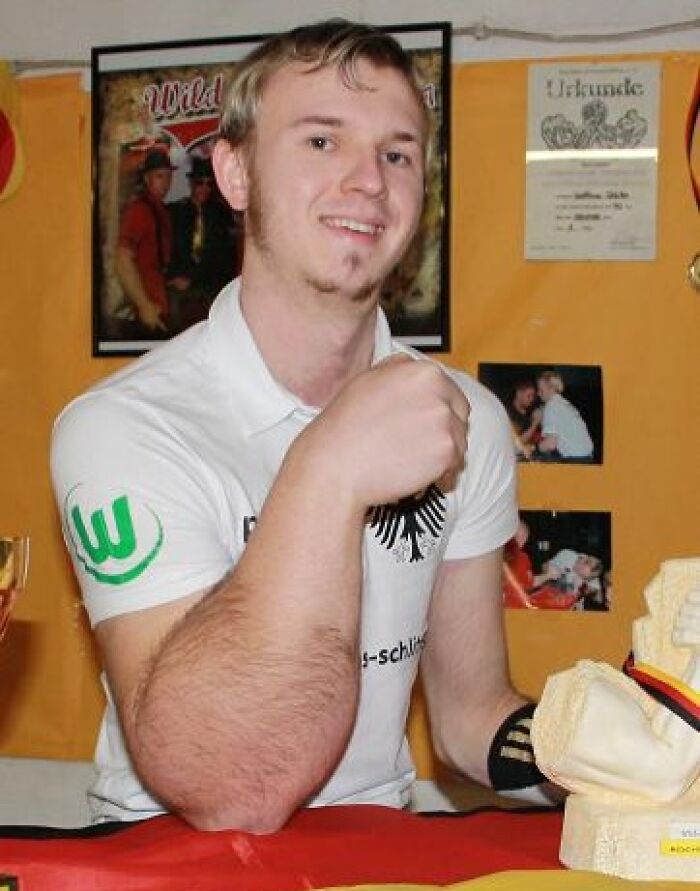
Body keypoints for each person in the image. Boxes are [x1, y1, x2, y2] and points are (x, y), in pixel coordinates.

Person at [51, 20, 556, 833]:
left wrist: (606, 750)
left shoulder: (462, 420)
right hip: (172, 865)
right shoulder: (122, 427)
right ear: (235, 171)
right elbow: (229, 787)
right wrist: (328, 464)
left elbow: (470, 718)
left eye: (397, 153)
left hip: (372, 853)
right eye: (323, 141)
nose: (368, 182)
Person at [167, 155, 240, 334]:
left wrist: (194, 279)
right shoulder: (177, 211)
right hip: (179, 285)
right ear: (191, 183)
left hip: (210, 286)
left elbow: (221, 256)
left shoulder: (220, 213)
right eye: (200, 183)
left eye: (209, 184)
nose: (204, 189)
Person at [114, 149, 176, 337]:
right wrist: (144, 306)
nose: (165, 183)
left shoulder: (160, 210)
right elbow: (122, 258)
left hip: (156, 307)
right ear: (147, 179)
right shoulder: (140, 211)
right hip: (144, 313)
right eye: (159, 176)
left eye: (168, 176)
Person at [534, 369, 594, 463]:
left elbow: (550, 444)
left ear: (551, 388)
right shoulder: (562, 403)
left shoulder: (552, 405)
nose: (538, 393)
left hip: (576, 461)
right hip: (587, 457)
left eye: (540, 390)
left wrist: (534, 449)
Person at [506, 380, 542, 461]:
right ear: (519, 394)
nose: (532, 399)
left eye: (533, 396)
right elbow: (517, 441)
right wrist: (535, 423)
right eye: (529, 396)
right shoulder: (510, 414)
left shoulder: (529, 413)